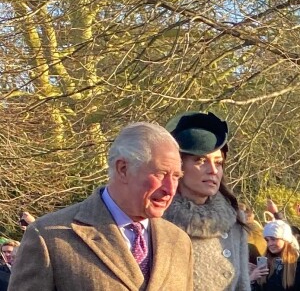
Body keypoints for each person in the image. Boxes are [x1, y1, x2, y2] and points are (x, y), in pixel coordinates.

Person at [8, 122, 193, 291]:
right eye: (161, 174)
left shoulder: (179, 242)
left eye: (176, 176)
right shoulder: (48, 236)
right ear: (123, 169)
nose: (170, 189)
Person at [164, 111, 250, 291]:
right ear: (178, 166)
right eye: (201, 160)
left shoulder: (234, 218)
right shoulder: (157, 219)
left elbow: (243, 285)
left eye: (218, 163)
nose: (213, 170)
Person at [251, 220, 300, 291]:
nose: (270, 244)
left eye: (273, 239)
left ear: (285, 240)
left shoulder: (296, 265)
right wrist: (251, 279)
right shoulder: (265, 264)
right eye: (267, 240)